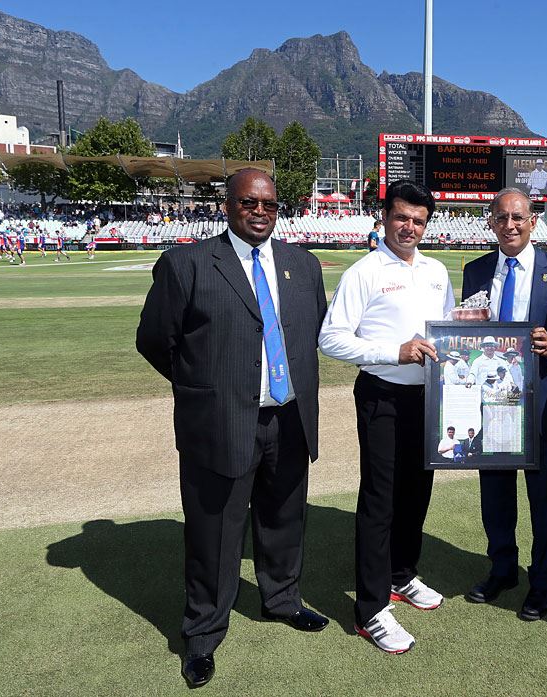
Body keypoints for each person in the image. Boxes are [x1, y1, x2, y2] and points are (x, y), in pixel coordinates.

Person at [136, 168, 329, 689]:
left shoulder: (302, 265)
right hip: (218, 423)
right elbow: (155, 341)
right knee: (214, 534)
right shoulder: (187, 264)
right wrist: (206, 388)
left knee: (284, 519)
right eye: (249, 202)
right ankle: (202, 634)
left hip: (288, 419)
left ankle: (282, 600)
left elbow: (312, 331)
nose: (260, 211)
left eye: (269, 203)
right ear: (228, 205)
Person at [318, 179, 454, 654]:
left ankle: (402, 574)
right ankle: (371, 608)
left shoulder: (438, 271)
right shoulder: (365, 271)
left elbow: (449, 333)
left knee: (418, 490)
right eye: (401, 217)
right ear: (384, 218)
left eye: (418, 220)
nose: (409, 227)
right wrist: (392, 352)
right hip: (382, 395)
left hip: (430, 399)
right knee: (380, 500)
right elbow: (331, 338)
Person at [461, 187, 547, 621]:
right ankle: (502, 570)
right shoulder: (475, 270)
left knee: (543, 500)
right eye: (501, 217)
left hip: (540, 403)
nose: (510, 225)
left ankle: (542, 582)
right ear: (490, 221)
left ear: (533, 221)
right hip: (489, 402)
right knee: (494, 496)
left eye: (518, 217)